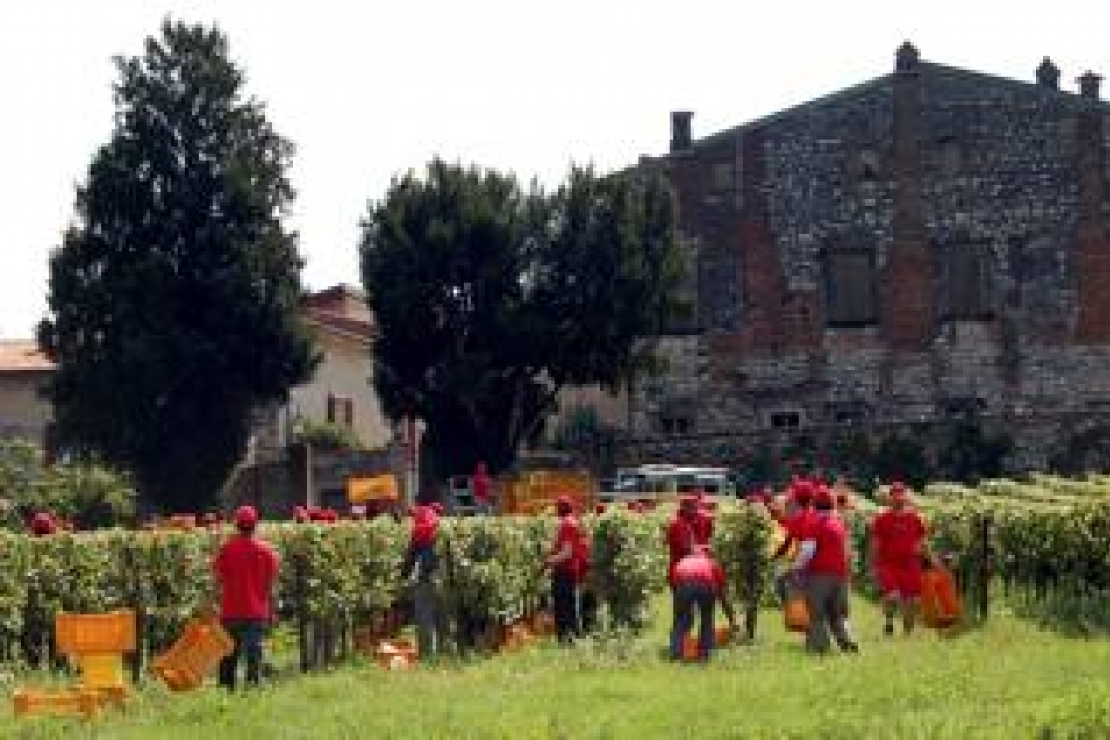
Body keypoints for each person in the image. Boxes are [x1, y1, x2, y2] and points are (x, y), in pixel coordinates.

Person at [213, 505, 280, 690]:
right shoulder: (267, 552)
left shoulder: (226, 550)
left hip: (230, 610)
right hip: (256, 612)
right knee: (253, 654)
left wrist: (214, 603)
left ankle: (226, 689)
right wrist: (272, 610)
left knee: (228, 654)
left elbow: (217, 579)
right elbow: (271, 584)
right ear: (255, 525)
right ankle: (252, 688)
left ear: (237, 525)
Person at [790, 486, 858, 654]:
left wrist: (796, 568)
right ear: (832, 504)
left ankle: (820, 648)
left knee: (817, 613)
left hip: (820, 574)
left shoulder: (813, 523)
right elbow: (847, 551)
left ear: (814, 504)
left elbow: (808, 550)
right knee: (837, 614)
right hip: (840, 575)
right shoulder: (838, 523)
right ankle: (847, 643)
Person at [870, 482, 928, 636]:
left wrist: (922, 551)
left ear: (905, 497)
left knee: (913, 601)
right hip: (889, 565)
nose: (898, 498)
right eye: (895, 495)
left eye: (901, 495)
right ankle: (888, 622)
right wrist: (874, 566)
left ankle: (907, 634)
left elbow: (922, 539)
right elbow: (875, 544)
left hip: (911, 565)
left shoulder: (915, 518)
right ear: (890, 498)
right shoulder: (882, 519)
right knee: (893, 596)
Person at [669, 546, 737, 661]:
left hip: (683, 584)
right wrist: (731, 619)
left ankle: (676, 653)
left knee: (681, 620)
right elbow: (722, 595)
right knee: (706, 618)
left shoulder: (682, 562)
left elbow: (675, 588)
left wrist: (679, 615)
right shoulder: (712, 563)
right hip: (705, 585)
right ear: (708, 554)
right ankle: (704, 654)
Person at [403, 501, 445, 658]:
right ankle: (444, 649)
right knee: (442, 615)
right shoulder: (441, 529)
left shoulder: (418, 531)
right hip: (444, 578)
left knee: (423, 616)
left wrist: (403, 576)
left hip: (425, 577)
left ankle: (426, 654)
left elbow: (410, 557)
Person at [542, 495, 587, 643]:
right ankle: (572, 639)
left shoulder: (567, 524)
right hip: (571, 570)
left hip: (564, 572)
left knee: (564, 608)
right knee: (570, 606)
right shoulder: (573, 522)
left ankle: (568, 640)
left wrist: (549, 561)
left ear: (560, 509)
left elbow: (567, 552)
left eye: (557, 508)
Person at [666, 496, 699, 589]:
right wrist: (699, 550)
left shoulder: (684, 524)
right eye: (694, 508)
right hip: (681, 571)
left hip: (683, 570)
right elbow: (684, 548)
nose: (696, 511)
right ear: (685, 509)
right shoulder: (678, 525)